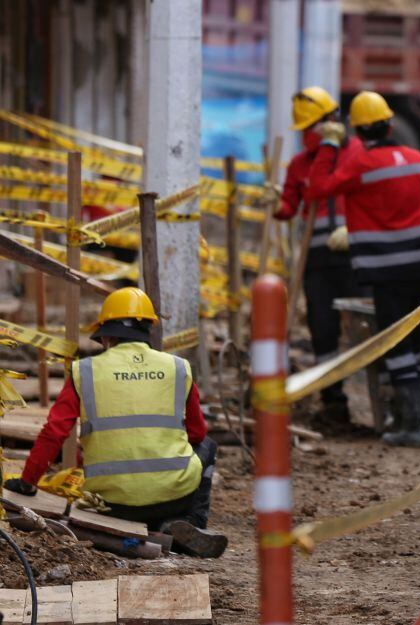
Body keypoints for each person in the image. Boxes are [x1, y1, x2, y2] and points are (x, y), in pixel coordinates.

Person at [3, 288, 227, 558]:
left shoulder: (84, 371)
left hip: (110, 505)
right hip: (173, 497)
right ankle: (189, 523)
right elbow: (198, 433)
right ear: (148, 330)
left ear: (106, 335)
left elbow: (55, 432)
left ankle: (167, 522)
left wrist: (28, 482)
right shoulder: (178, 367)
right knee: (208, 447)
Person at [306, 91, 420, 448]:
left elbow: (318, 188)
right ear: (391, 124)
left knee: (397, 347)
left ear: (358, 132)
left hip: (386, 272)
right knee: (415, 344)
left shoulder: (362, 164)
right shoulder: (416, 158)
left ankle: (412, 425)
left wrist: (329, 148)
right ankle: (408, 416)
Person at [273, 86, 365, 424]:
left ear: (332, 121)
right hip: (317, 259)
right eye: (306, 130)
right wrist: (276, 206)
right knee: (322, 328)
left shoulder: (358, 153)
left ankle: (380, 395)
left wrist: (355, 232)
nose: (309, 136)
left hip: (355, 254)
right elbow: (290, 205)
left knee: (367, 326)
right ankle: (333, 401)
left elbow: (369, 198)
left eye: (314, 127)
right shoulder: (299, 164)